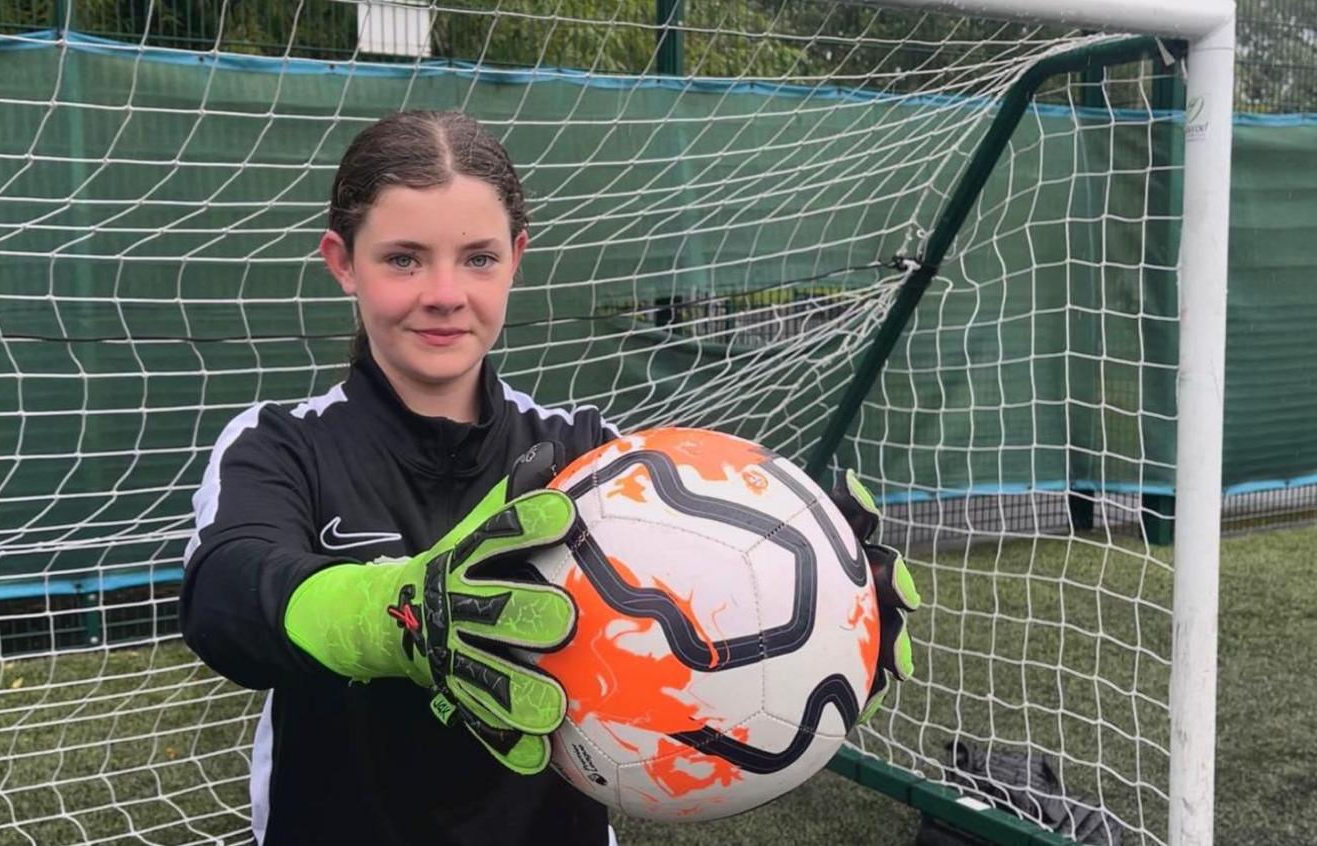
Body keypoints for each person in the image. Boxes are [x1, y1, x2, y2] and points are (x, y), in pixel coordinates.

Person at [179, 109, 920, 846]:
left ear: (517, 257)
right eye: (403, 258)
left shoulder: (590, 456)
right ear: (342, 261)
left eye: (478, 258)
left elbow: (692, 616)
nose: (444, 292)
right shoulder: (280, 444)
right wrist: (394, 614)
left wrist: (825, 616)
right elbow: (228, 596)